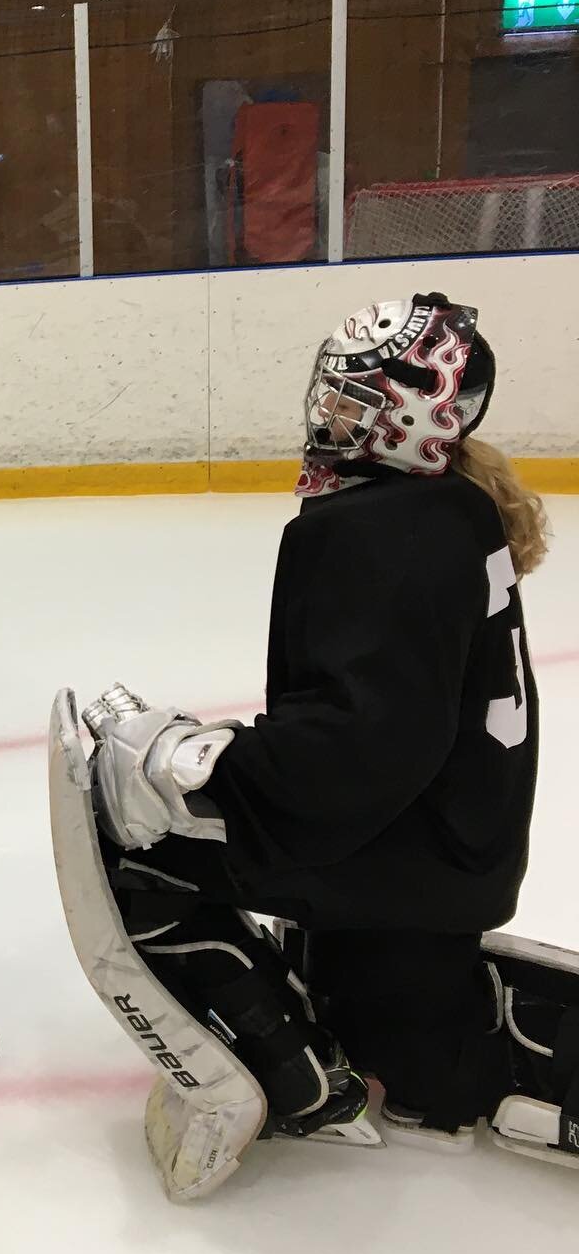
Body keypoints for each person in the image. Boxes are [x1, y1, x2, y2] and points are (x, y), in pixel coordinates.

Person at [49, 292, 578, 1199]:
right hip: (460, 840)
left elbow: (364, 746)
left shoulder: (386, 532)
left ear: (421, 411)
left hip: (421, 853)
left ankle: (295, 1085)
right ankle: (380, 1022)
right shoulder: (446, 507)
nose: (332, 412)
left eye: (360, 395)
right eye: (334, 391)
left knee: (143, 853)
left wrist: (204, 766)